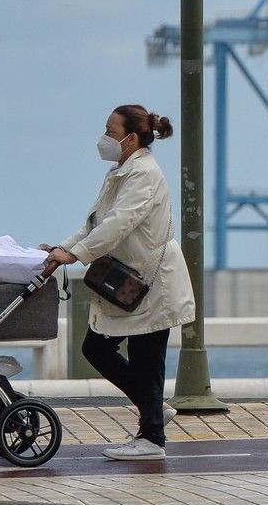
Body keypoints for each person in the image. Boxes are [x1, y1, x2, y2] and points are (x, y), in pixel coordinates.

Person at [40, 104, 195, 461]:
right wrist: (64, 248)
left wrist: (76, 255)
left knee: (146, 358)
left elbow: (119, 224)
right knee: (102, 349)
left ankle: (152, 438)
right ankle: (152, 413)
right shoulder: (122, 171)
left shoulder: (144, 174)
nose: (105, 138)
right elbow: (97, 221)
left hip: (152, 281)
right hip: (130, 278)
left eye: (111, 132)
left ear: (131, 139)